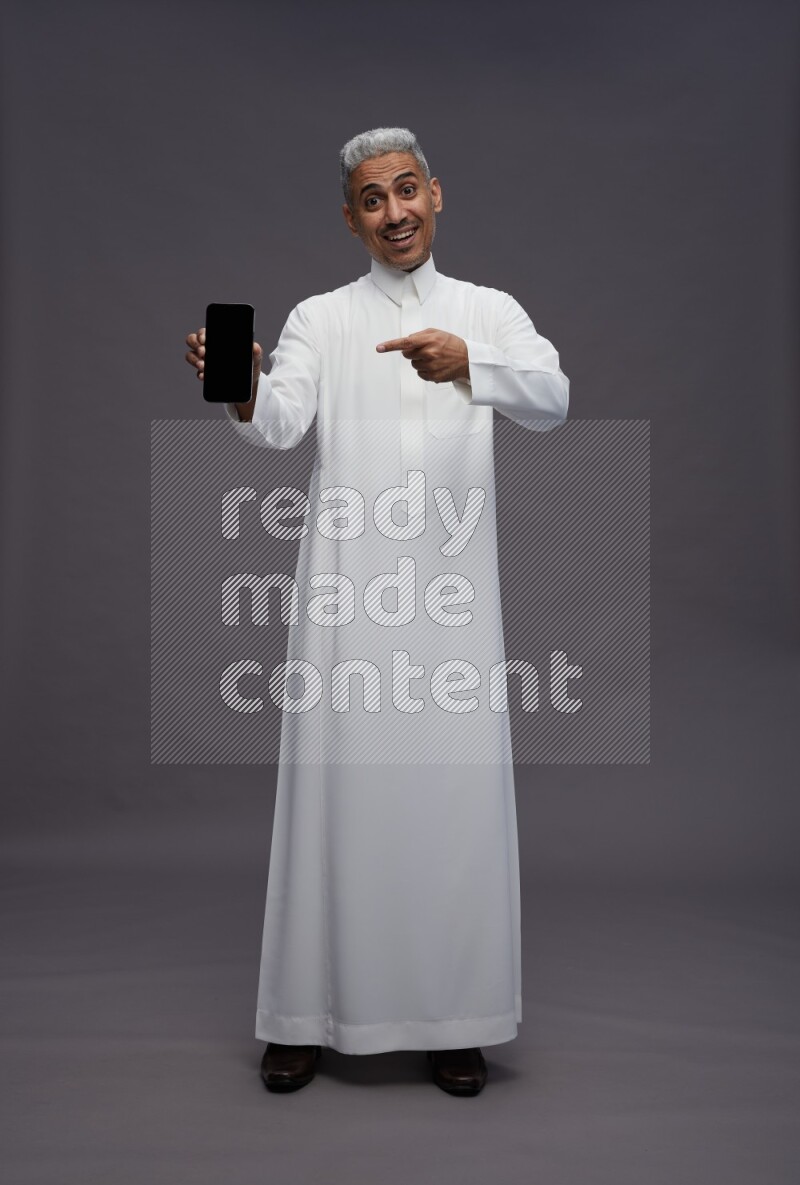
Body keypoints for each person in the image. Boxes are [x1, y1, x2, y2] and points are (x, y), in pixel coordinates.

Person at [185, 127, 569, 1096]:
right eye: (371, 198)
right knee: (333, 797)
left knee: (451, 804)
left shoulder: (487, 311)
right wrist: (234, 389)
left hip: (448, 604)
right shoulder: (321, 316)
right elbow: (276, 427)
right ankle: (304, 1016)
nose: (393, 212)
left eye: (406, 191)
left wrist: (468, 363)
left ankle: (452, 1018)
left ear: (435, 195)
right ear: (349, 215)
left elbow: (553, 398)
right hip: (345, 599)